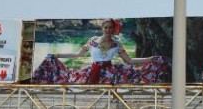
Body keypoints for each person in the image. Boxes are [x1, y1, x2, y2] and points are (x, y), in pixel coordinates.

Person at [31, 18, 171, 86]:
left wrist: (150, 58)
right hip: (93, 70)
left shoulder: (117, 44)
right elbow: (78, 55)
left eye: (110, 27)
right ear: (102, 28)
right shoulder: (93, 41)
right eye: (105, 27)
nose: (108, 30)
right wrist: (57, 55)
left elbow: (130, 61)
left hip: (110, 73)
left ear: (113, 29)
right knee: (72, 80)